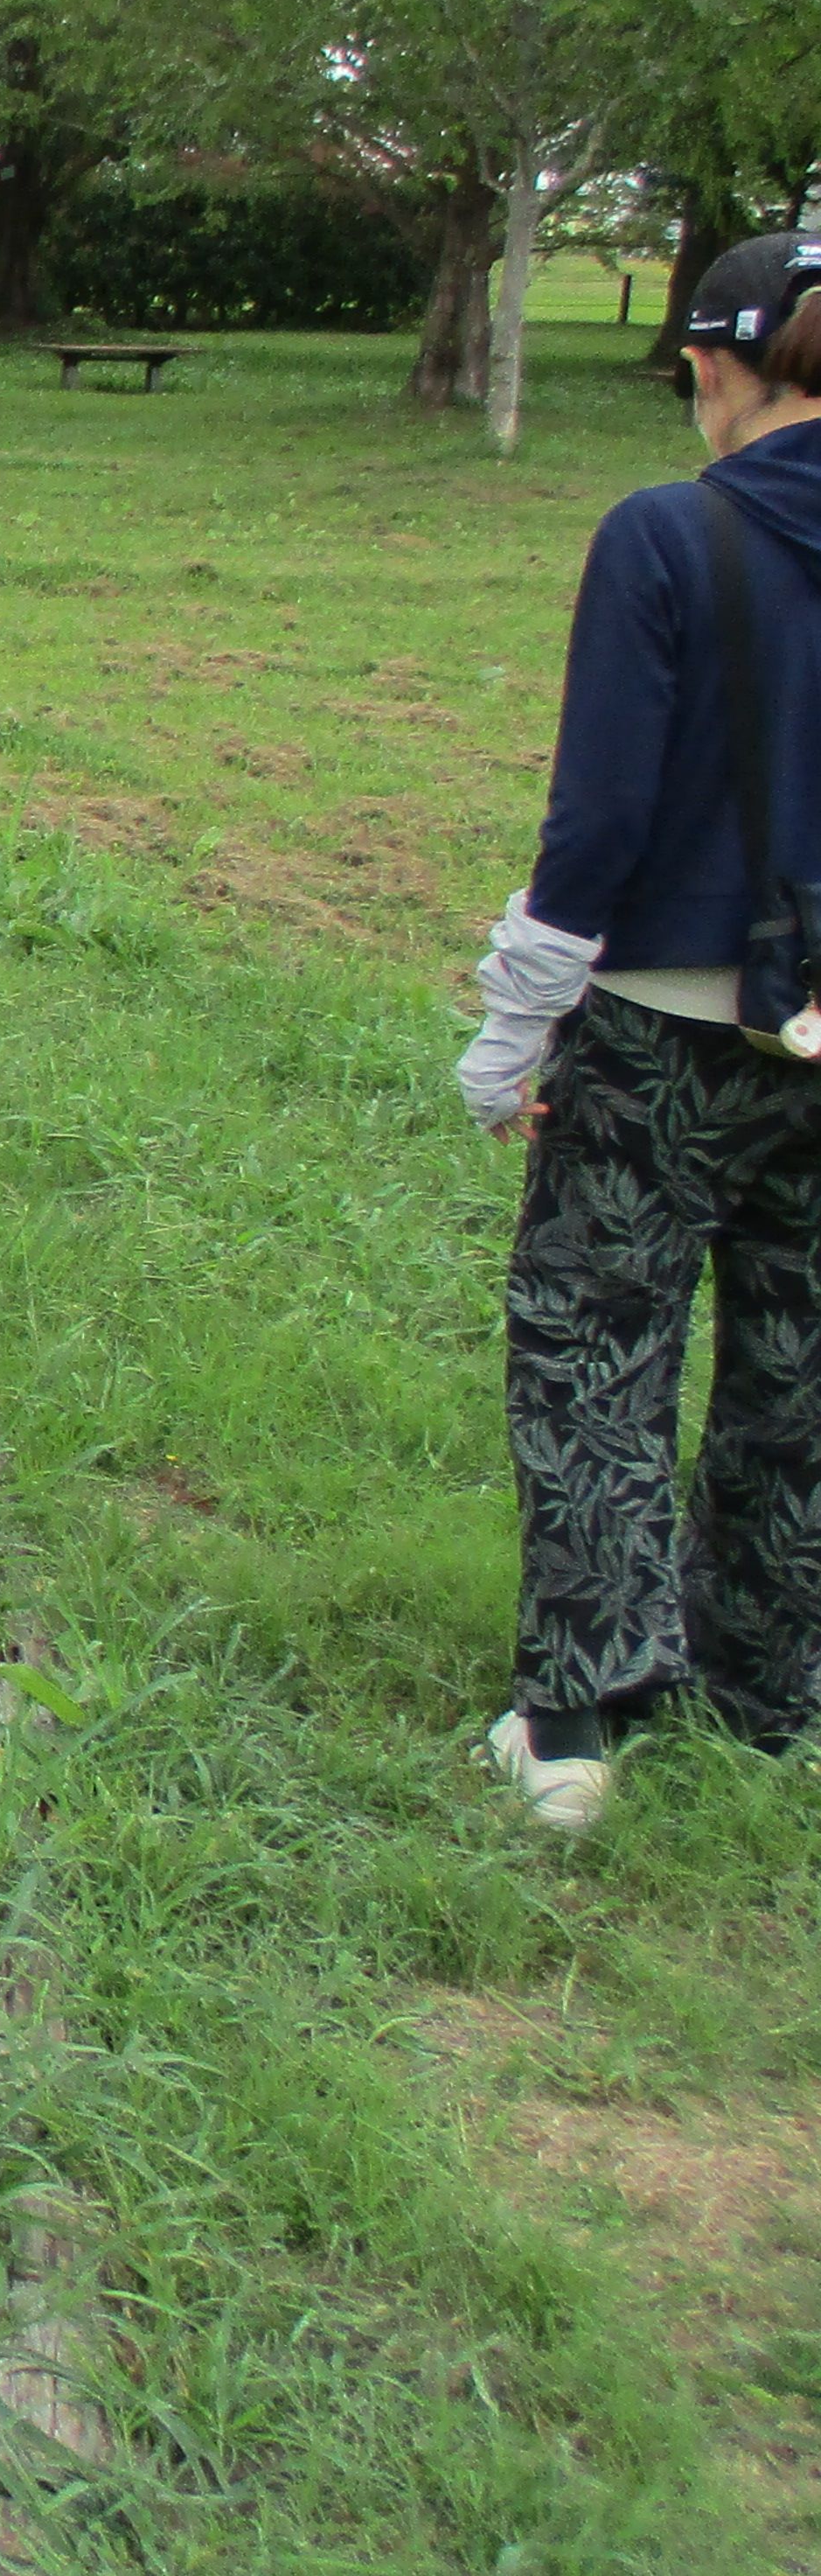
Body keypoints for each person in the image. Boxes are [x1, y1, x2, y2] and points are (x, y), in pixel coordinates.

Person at [455, 231, 821, 1834]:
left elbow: (596, 819)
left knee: (598, 1347)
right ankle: (762, 1688)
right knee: (797, 1369)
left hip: (662, 1033)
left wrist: (507, 1029)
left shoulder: (666, 537)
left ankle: (580, 1720)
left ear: (711, 366)